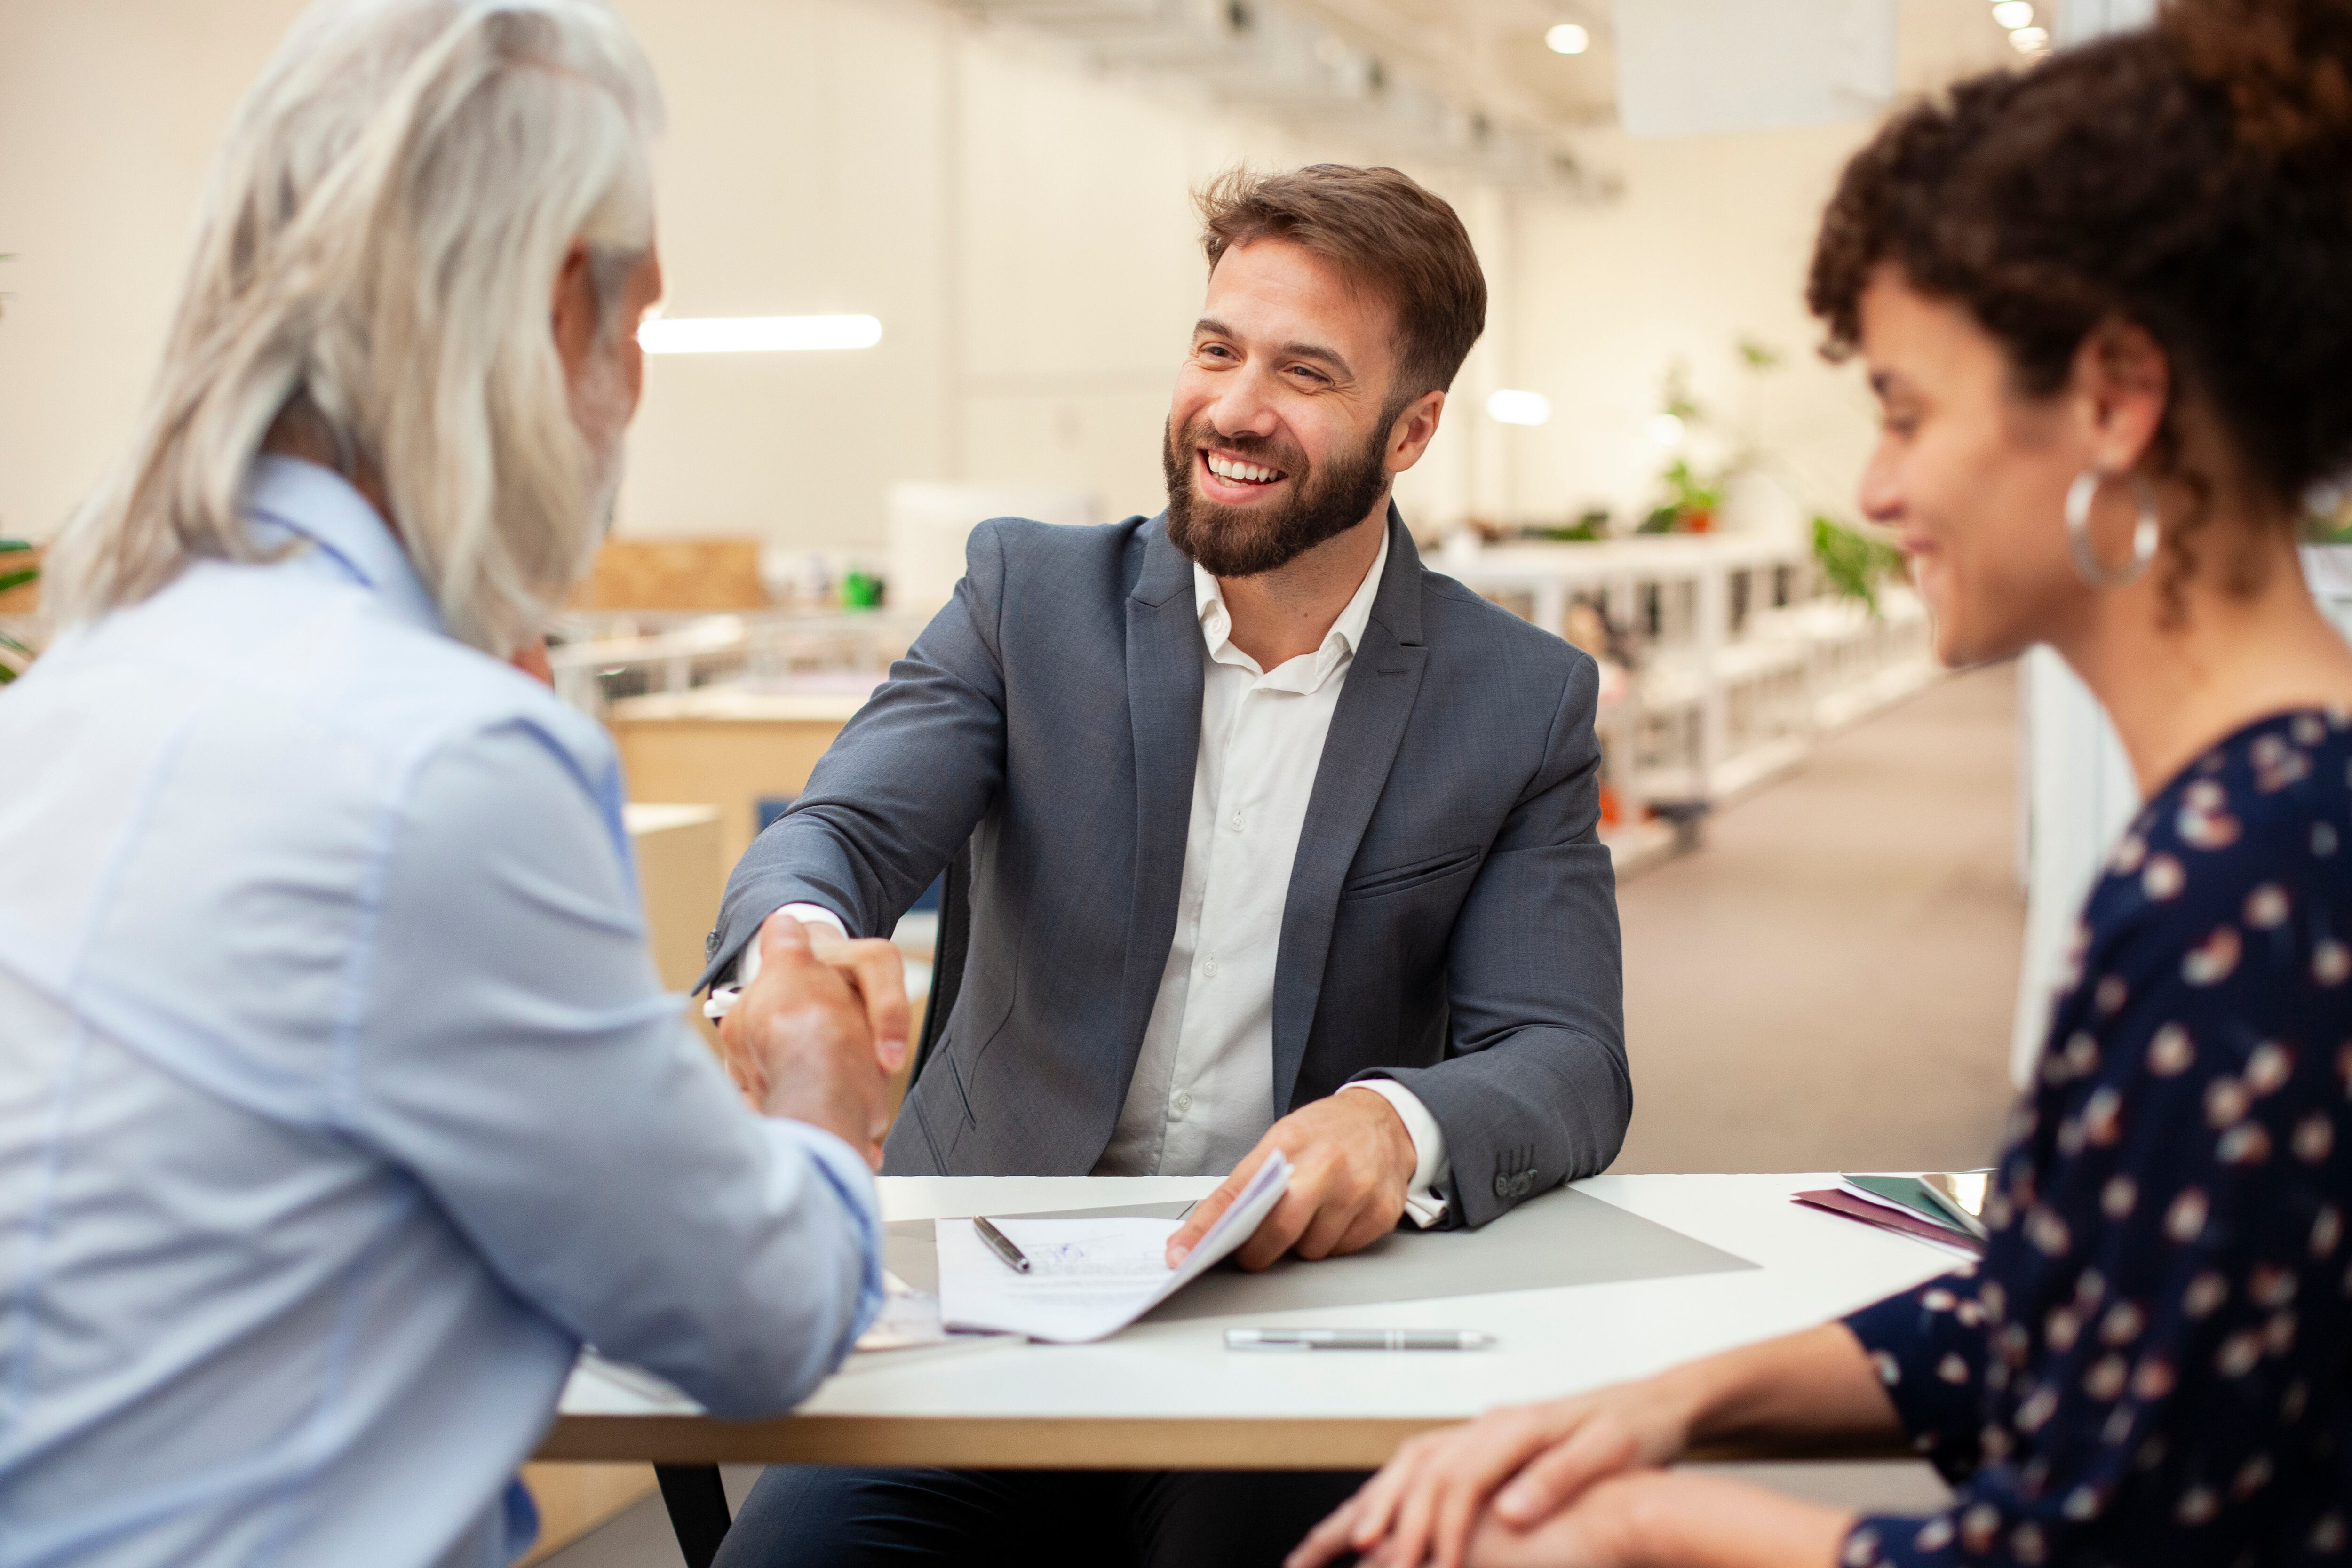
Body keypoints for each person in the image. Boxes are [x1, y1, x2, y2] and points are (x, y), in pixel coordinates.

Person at [1290, 3, 2352, 1566]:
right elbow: (2061, 1311)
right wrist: (1668, 1402)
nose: (1876, 488)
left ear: (2119, 402)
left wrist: (1649, 1530)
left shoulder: (2249, 884)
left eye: (1908, 412)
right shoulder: (2262, 827)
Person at [0, 4, 907, 1564]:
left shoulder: (89, 676)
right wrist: (825, 1099)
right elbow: (753, 1324)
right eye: (641, 326)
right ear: (564, 306)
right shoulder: (441, 759)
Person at [707, 165, 1629, 1566]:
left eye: (1305, 372)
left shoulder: (1517, 703)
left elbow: (1564, 1054)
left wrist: (1394, 1121)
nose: (1236, 408)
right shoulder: (1030, 603)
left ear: (1413, 429)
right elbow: (834, 836)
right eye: (1217, 349)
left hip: (1293, 1327)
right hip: (984, 1301)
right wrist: (790, 945)